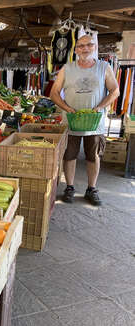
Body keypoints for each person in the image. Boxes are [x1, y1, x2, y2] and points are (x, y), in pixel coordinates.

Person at [50, 35, 120, 206]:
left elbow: (115, 91)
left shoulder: (104, 67)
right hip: (71, 121)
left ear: (95, 47)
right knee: (69, 155)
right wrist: (67, 109)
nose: (85, 48)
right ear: (75, 50)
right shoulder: (67, 68)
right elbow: (54, 93)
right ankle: (70, 187)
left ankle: (92, 188)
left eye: (89, 45)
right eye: (81, 46)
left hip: (94, 123)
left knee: (93, 156)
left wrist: (99, 107)